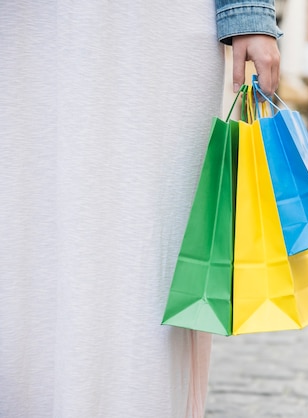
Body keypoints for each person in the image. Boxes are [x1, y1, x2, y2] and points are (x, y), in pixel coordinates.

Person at [0, 1, 281, 417]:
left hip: (150, 28)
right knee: (24, 247)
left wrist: (250, 13)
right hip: (24, 32)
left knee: (146, 255)